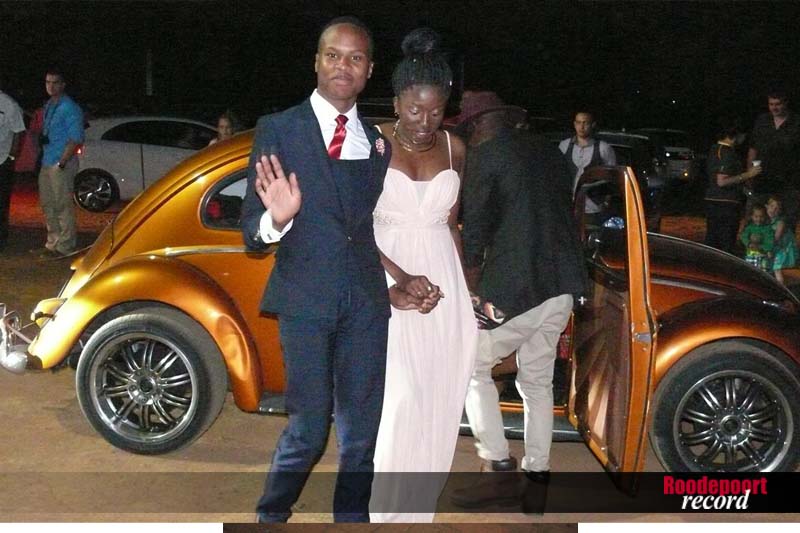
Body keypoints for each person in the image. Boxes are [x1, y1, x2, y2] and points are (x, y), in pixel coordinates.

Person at [240, 17, 431, 523]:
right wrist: (277, 219)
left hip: (365, 305)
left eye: (355, 58)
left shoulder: (377, 142)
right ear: (317, 62)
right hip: (305, 300)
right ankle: (271, 515)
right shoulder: (279, 128)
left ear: (368, 70)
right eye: (333, 55)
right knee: (307, 429)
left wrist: (393, 283)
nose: (343, 65)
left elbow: (361, 230)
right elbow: (251, 232)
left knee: (362, 432)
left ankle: (351, 519)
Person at [452, 90, 587, 509]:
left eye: (468, 130)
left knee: (471, 367)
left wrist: (471, 288)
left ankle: (498, 467)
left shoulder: (486, 157)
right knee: (537, 383)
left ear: (479, 125)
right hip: (562, 285)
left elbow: (475, 232)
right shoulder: (550, 152)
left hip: (517, 290)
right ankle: (537, 477)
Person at [368, 28, 477, 523]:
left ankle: (416, 509)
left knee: (438, 395)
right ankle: (384, 511)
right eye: (415, 110)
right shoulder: (372, 144)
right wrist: (397, 279)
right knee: (400, 397)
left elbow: (451, 225)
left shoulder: (456, 149)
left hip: (442, 286)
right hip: (386, 277)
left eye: (436, 112)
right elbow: (353, 225)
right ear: (396, 103)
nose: (424, 123)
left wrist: (467, 290)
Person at [36, 67, 84, 258]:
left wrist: (63, 162)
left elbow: (75, 137)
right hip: (48, 159)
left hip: (61, 161)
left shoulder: (69, 108)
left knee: (63, 205)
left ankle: (65, 245)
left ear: (63, 85)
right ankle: (52, 242)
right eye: (48, 82)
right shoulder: (49, 105)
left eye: (55, 82)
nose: (51, 86)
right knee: (48, 203)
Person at [703, 117, 762, 254]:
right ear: (737, 135)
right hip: (726, 203)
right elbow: (722, 181)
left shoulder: (714, 149)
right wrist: (748, 174)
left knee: (712, 240)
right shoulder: (727, 153)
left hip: (712, 201)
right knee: (726, 242)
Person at [746, 89, 800, 228]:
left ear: (785, 103)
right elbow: (753, 148)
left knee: (786, 223)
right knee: (757, 222)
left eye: (778, 104)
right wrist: (749, 174)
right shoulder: (762, 121)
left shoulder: (796, 122)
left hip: (789, 182)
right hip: (762, 181)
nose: (774, 108)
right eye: (771, 104)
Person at [558, 110, 616, 189]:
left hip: (592, 195)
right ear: (574, 124)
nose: (581, 127)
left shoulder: (603, 148)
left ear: (593, 125)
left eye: (585, 123)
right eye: (578, 123)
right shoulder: (564, 145)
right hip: (566, 194)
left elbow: (611, 176)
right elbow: (557, 171)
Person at [0, 81, 26, 250]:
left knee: (1, 203)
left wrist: (12, 156)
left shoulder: (8, 104)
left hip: (2, 160)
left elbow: (19, 131)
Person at [766, 195, 797, 284]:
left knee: (777, 269)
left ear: (779, 211)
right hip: (774, 247)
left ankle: (780, 287)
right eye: (772, 206)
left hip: (782, 249)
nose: (773, 210)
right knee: (769, 267)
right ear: (766, 206)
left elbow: (776, 237)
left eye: (777, 209)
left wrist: (768, 248)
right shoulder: (767, 221)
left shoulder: (780, 222)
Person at [740, 204, 774, 272]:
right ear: (752, 216)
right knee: (749, 271)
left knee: (762, 272)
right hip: (750, 255)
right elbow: (743, 236)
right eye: (756, 216)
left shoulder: (767, 229)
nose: (759, 219)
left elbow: (769, 240)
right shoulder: (749, 227)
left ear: (765, 216)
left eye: (761, 217)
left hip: (762, 255)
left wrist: (766, 249)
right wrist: (748, 243)